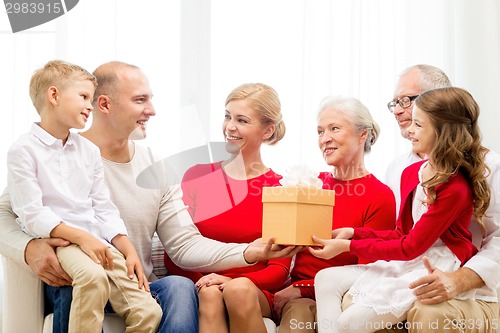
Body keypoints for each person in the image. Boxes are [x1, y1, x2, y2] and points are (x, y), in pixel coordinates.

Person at [0, 61, 298, 333]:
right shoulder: (54, 153)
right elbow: (7, 214)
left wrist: (249, 253)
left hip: (134, 283)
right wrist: (27, 247)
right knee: (81, 286)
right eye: (141, 100)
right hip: (77, 278)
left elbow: (184, 245)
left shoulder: (155, 169)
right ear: (104, 104)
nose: (152, 110)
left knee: (180, 287)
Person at [311, 87, 491, 333]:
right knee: (326, 278)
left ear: (442, 131)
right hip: (409, 258)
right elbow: (400, 233)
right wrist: (355, 233)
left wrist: (348, 246)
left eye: (418, 125)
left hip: (434, 263)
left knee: (348, 323)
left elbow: (410, 247)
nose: (409, 131)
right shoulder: (410, 173)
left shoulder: (455, 188)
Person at [6, 60, 162, 333]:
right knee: (92, 279)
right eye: (83, 97)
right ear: (54, 96)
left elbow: (103, 206)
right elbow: (31, 213)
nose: (90, 106)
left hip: (99, 243)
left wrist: (126, 248)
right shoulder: (23, 151)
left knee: (148, 311)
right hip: (64, 243)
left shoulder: (88, 151)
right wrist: (83, 238)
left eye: (91, 98)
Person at [163, 83, 292, 333]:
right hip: (203, 286)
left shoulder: (280, 188)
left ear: (267, 131)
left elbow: (278, 269)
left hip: (254, 290)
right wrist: (204, 283)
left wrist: (231, 280)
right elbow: (174, 253)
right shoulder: (198, 175)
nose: (230, 127)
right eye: (227, 116)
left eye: (242, 120)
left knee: (237, 290)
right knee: (211, 295)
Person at [383, 65, 500, 333]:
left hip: (475, 290)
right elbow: (401, 235)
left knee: (429, 314)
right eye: (394, 103)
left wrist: (460, 280)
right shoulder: (399, 167)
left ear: (440, 103)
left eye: (406, 101)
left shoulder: (489, 166)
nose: (398, 110)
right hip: (412, 277)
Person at [273, 96, 396, 333]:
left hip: (336, 295)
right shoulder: (312, 185)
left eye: (334, 128)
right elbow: (283, 243)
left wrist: (304, 288)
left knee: (301, 313)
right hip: (293, 291)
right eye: (320, 131)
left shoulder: (380, 195)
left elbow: (367, 272)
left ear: (362, 135)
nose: (324, 138)